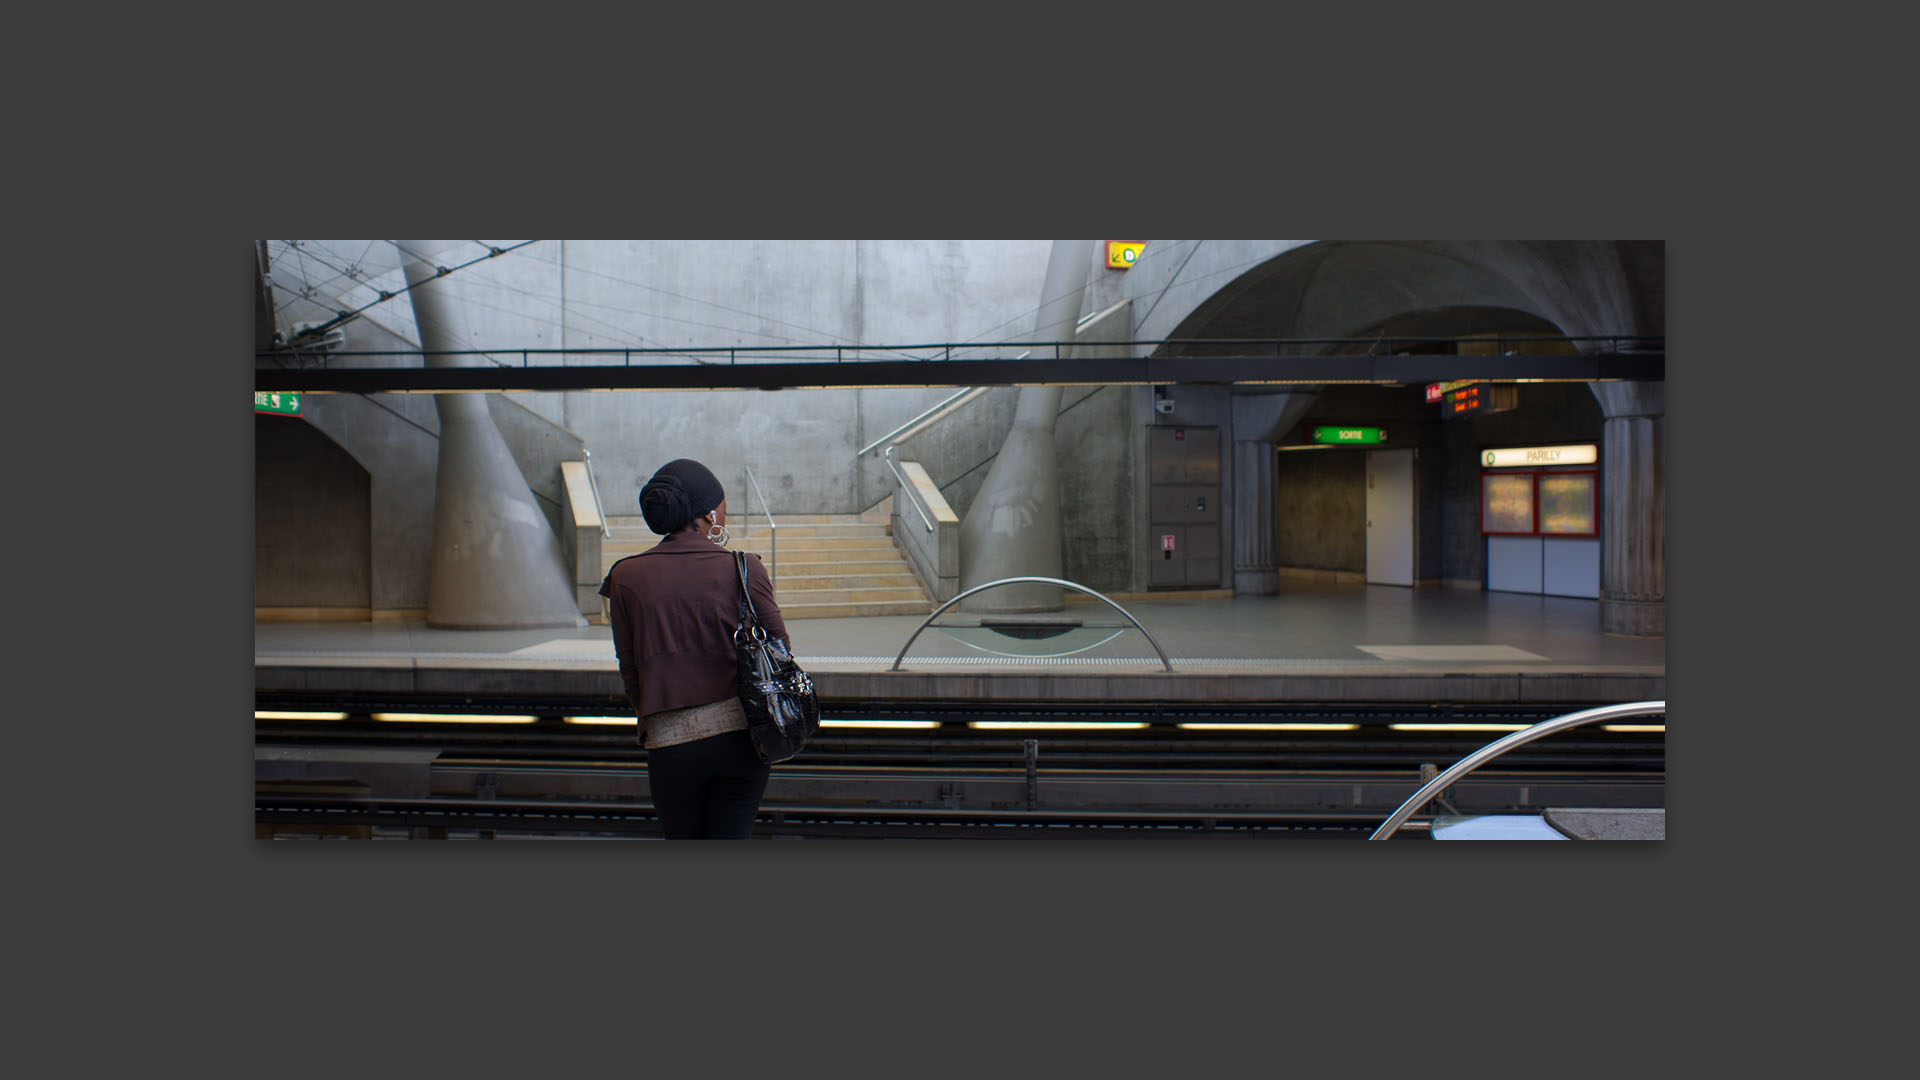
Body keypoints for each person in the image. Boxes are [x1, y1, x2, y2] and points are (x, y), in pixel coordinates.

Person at [599, 458, 789, 839]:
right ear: (704, 516)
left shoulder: (624, 576)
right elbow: (780, 649)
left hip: (670, 744)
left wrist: (652, 716)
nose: (725, 516)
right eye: (722, 508)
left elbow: (629, 668)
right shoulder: (744, 568)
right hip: (741, 738)